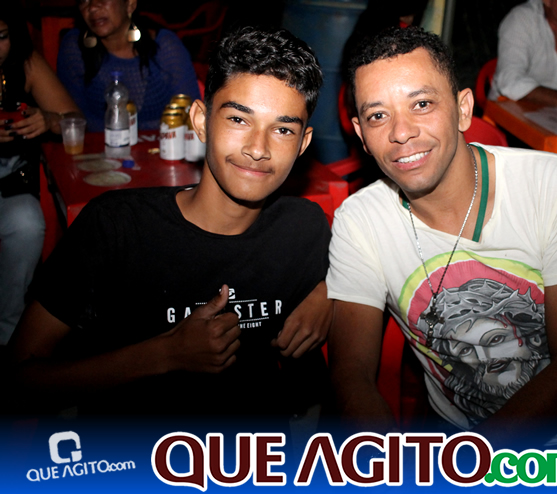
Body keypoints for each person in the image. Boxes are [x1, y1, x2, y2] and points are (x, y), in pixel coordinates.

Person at [328, 26, 557, 447]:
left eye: (421, 104)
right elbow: (351, 373)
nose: (401, 132)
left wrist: (468, 464)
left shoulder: (554, 186)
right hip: (454, 441)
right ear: (361, 135)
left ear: (463, 109)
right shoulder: (360, 220)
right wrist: (389, 460)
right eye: (378, 115)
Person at [8, 26, 331, 419]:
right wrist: (165, 354)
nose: (258, 149)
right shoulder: (115, 228)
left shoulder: (305, 229)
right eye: (238, 119)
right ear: (200, 121)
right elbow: (19, 378)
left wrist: (330, 294)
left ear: (303, 143)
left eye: (282, 130)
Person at [0, 7, 80, 347]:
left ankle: (8, 333)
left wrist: (48, 120)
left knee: (28, 223)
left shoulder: (25, 62)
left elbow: (74, 119)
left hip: (11, 181)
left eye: (1, 37)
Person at [57, 0, 201, 132]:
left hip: (164, 147)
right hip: (97, 150)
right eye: (84, 1)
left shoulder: (164, 47)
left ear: (130, 4)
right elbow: (73, 121)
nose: (93, 7)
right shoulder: (74, 48)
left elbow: (193, 118)